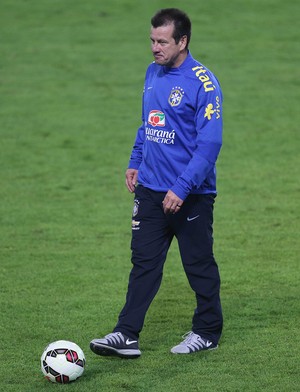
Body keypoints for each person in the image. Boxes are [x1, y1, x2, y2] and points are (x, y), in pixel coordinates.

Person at [90, 8, 223, 358]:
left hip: (190, 194)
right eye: (152, 40)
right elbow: (149, 121)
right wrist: (136, 161)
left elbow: (209, 146)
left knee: (198, 263)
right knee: (144, 263)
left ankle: (207, 331)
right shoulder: (153, 72)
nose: (154, 48)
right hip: (149, 190)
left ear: (183, 41)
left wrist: (181, 188)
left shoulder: (203, 83)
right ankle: (127, 334)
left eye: (162, 41)